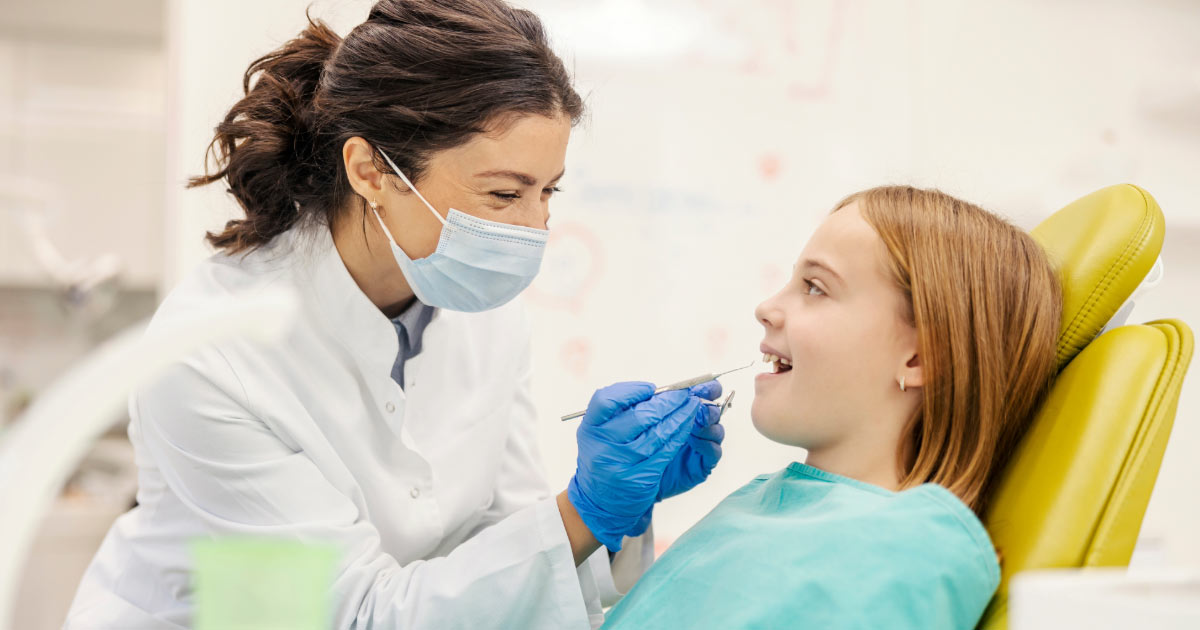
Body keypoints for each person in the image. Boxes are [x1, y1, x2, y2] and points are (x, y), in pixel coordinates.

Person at [64, 2, 725, 628]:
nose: (535, 228)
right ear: (370, 170)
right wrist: (584, 512)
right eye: (503, 193)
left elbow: (505, 546)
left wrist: (614, 516)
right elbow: (356, 615)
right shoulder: (213, 354)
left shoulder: (484, 312)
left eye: (546, 192)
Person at [601, 186, 1063, 629]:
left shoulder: (909, 545)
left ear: (920, 356)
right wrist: (616, 522)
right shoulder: (768, 499)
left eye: (816, 288)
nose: (766, 307)